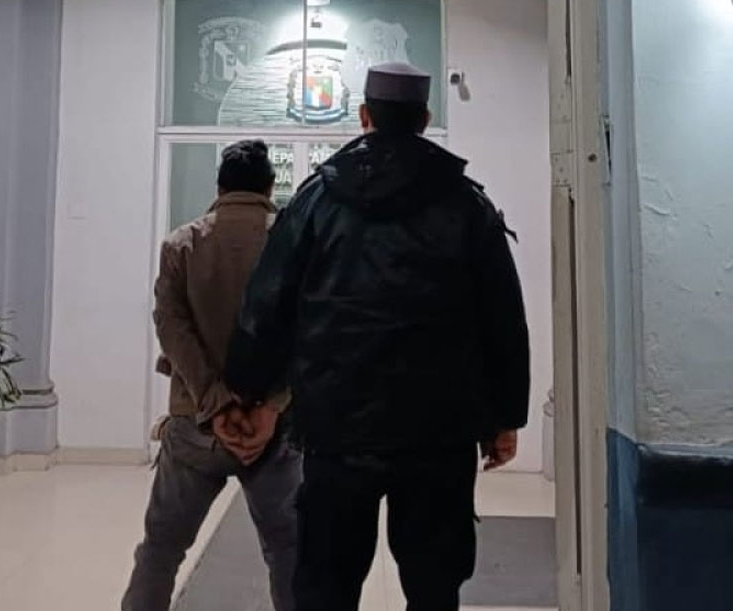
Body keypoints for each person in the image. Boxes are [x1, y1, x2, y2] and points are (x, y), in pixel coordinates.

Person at [224, 63, 531, 611]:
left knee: (326, 587)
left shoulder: (316, 201)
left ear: (364, 115)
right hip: (439, 433)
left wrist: (248, 390)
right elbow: (502, 317)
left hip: (335, 430)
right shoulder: (466, 204)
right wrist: (504, 417)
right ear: (425, 119)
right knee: (434, 587)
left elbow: (267, 303)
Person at [122, 140, 301, 611]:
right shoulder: (295, 244)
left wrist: (214, 400)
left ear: (219, 188)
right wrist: (270, 405)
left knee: (162, 550)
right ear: (270, 187)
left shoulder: (181, 244)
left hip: (194, 424)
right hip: (275, 428)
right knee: (288, 552)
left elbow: (171, 327)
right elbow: (308, 330)